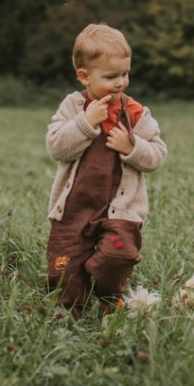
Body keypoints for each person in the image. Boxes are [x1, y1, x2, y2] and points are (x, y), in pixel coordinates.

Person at [45, 23, 168, 315]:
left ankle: (107, 293)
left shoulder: (136, 113)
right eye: (111, 76)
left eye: (125, 74)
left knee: (118, 255)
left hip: (119, 212)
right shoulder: (73, 108)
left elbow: (158, 155)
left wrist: (131, 147)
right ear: (84, 76)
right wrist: (86, 123)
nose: (121, 83)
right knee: (62, 265)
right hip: (73, 213)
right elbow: (56, 148)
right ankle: (71, 314)